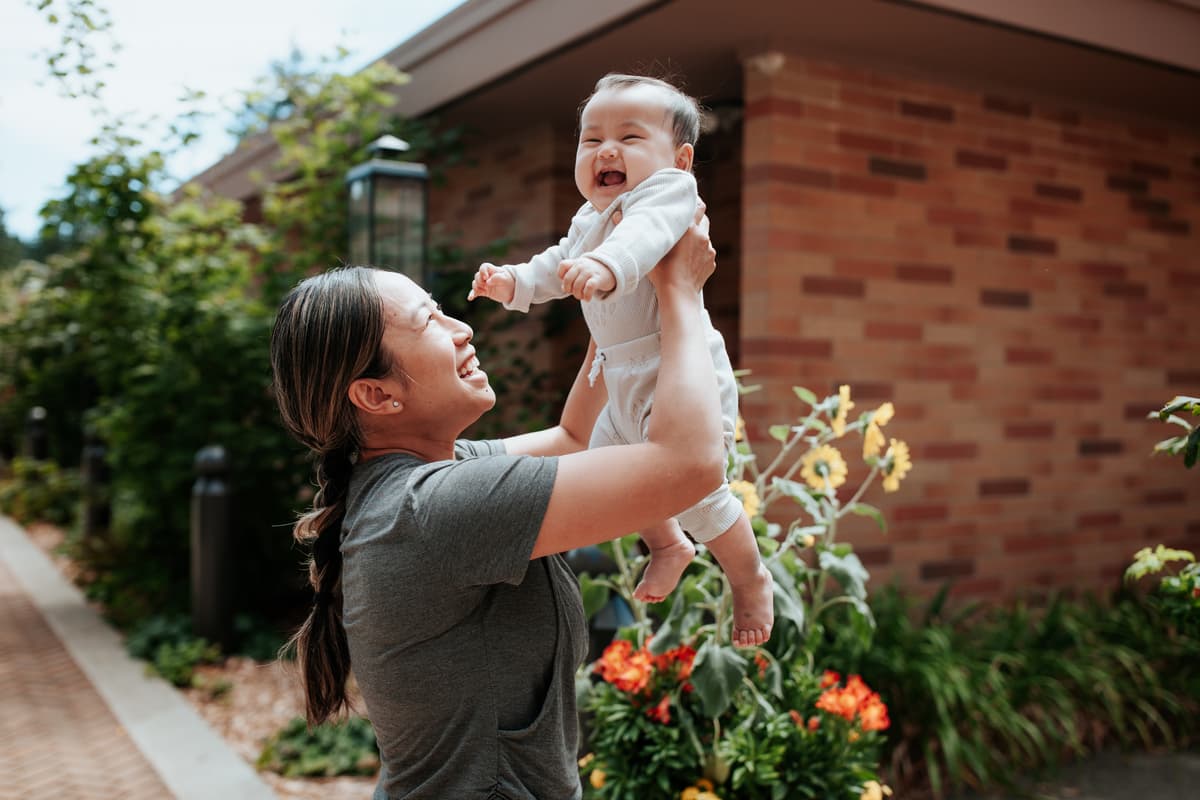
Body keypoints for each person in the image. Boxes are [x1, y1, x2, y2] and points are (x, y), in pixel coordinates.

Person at [269, 214, 726, 799]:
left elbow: (572, 439)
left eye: (440, 307)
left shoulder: (432, 476)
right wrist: (680, 293)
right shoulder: (434, 509)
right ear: (376, 395)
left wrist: (623, 292)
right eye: (428, 321)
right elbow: (688, 466)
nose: (461, 329)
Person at [469, 73, 773, 645]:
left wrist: (609, 267)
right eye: (591, 140)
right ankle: (666, 543)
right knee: (616, 473)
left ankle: (749, 575)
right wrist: (513, 283)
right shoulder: (587, 220)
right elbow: (557, 262)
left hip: (675, 374)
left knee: (701, 495)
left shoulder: (668, 194)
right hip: (618, 375)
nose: (606, 150)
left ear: (679, 158)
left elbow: (646, 236)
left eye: (630, 137)